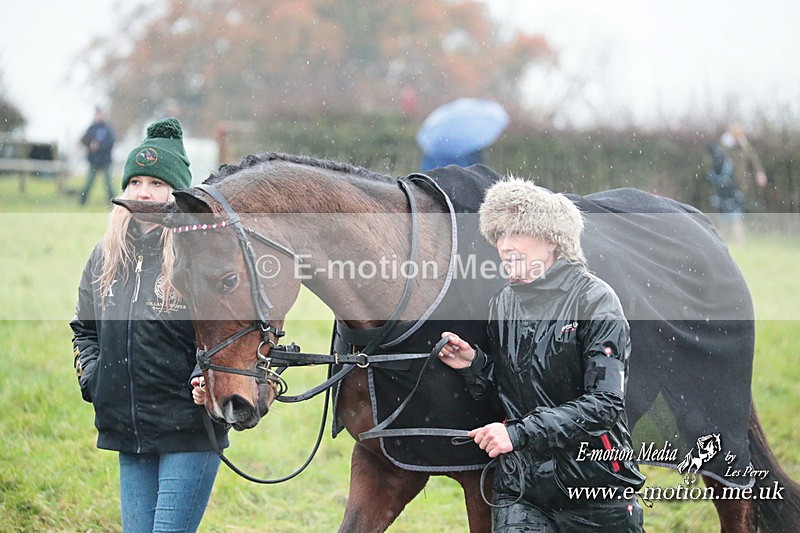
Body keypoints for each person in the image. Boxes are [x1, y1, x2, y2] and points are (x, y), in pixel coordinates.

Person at [438, 177, 646, 531]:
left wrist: (517, 434)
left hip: (594, 488)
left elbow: (605, 405)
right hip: (521, 491)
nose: (504, 246)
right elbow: (511, 397)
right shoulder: (503, 304)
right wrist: (474, 366)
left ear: (552, 241)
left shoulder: (595, 301)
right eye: (499, 235)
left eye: (516, 233)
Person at [70, 118, 229, 532]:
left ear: (178, 193)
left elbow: (226, 330)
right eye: (136, 181)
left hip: (188, 431)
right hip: (129, 431)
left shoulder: (201, 255)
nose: (144, 192)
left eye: (157, 183)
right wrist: (94, 377)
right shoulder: (104, 258)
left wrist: (204, 377)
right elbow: (84, 330)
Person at [705, 124, 768, 244]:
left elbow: (753, 161)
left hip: (739, 184)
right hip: (724, 186)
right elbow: (714, 164)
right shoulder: (723, 147)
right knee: (726, 215)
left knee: (735, 214)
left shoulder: (745, 146)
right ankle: (723, 240)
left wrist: (760, 173)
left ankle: (735, 241)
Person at [79, 107, 117, 205]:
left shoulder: (107, 128)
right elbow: (83, 140)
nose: (97, 116)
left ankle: (113, 203)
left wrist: (99, 146)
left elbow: (111, 142)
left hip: (105, 160)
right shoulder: (91, 128)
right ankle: (82, 202)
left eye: (99, 114)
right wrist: (90, 144)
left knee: (109, 184)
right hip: (93, 160)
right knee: (88, 183)